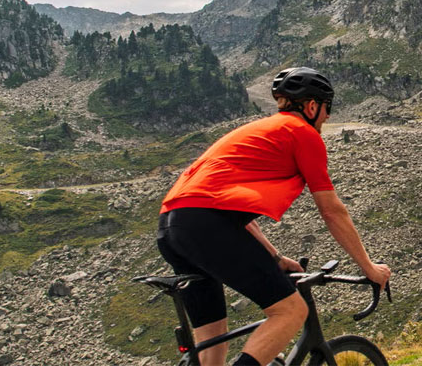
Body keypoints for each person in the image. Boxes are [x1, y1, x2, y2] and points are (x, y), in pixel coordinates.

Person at [156, 67, 391, 366]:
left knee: (211, 337)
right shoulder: (303, 133)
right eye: (326, 109)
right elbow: (331, 210)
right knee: (290, 311)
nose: (327, 118)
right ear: (311, 106)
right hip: (205, 225)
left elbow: (229, 211)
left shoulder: (259, 131)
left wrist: (276, 258)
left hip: (172, 225)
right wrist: (369, 267)